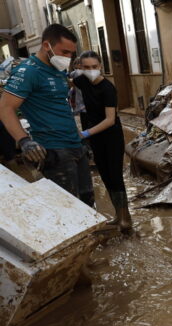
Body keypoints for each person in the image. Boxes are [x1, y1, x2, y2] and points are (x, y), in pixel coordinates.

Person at [0, 24, 95, 206]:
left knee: (87, 201)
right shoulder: (28, 71)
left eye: (71, 54)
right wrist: (24, 140)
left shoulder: (58, 70)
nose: (68, 58)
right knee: (68, 206)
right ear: (46, 46)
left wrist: (81, 140)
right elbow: (5, 108)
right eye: (64, 52)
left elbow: (60, 106)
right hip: (54, 149)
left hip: (75, 144)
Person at [72, 51, 131, 232]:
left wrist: (85, 133)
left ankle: (126, 218)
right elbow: (65, 79)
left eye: (94, 67)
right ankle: (118, 216)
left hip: (111, 136)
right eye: (87, 67)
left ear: (100, 67)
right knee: (105, 175)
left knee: (115, 175)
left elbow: (110, 119)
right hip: (96, 138)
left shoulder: (107, 88)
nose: (91, 70)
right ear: (80, 68)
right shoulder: (81, 81)